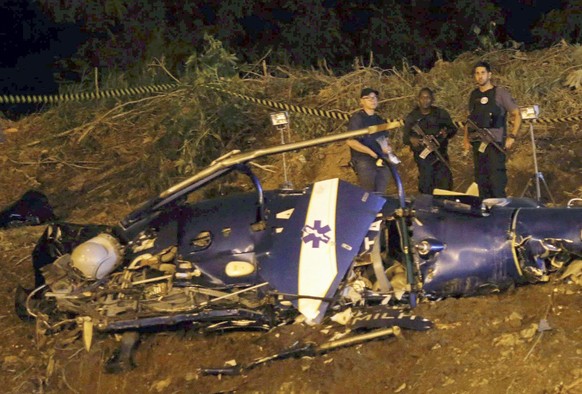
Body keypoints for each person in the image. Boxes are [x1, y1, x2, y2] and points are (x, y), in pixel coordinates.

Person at [464, 61, 521, 199]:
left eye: (483, 73)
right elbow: (469, 120)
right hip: (478, 144)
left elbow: (516, 114)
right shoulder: (473, 95)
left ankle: (500, 215)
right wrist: (465, 139)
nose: (480, 76)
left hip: (495, 143)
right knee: (481, 182)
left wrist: (512, 136)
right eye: (477, 73)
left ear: (489, 75)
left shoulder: (500, 93)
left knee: (496, 182)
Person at [403, 88, 456, 194]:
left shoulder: (440, 113)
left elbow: (453, 129)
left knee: (444, 186)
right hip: (424, 159)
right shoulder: (412, 117)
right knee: (426, 186)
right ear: (418, 99)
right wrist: (412, 139)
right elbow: (405, 138)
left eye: (428, 97)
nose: (425, 100)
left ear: (432, 99)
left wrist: (446, 133)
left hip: (440, 155)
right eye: (422, 97)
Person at [346, 88, 394, 194]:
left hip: (381, 161)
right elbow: (351, 141)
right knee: (368, 193)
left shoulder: (379, 119)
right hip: (365, 161)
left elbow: (385, 139)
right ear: (361, 101)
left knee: (380, 193)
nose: (373, 100)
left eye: (374, 97)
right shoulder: (358, 118)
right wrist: (371, 153)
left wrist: (387, 149)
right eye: (368, 98)